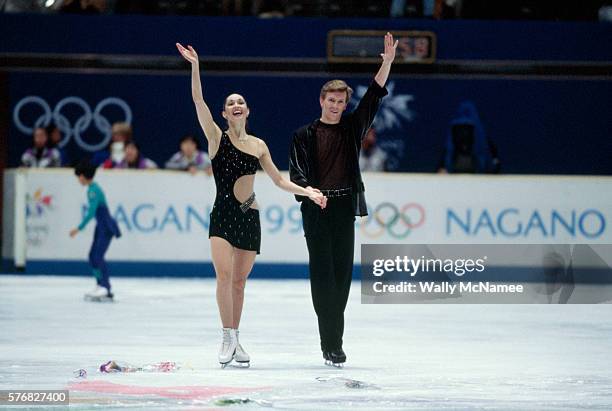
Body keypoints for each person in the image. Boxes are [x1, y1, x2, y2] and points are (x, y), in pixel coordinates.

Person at [176, 42, 326, 368]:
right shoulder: (217, 138)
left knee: (240, 282)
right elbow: (198, 100)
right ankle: (226, 336)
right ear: (225, 113)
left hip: (249, 216)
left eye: (241, 101)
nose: (236, 105)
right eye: (231, 103)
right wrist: (195, 66)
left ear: (248, 110)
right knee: (224, 276)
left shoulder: (259, 145)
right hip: (223, 213)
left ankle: (236, 338)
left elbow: (279, 180)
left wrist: (308, 191)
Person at [289, 32, 397, 367]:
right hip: (316, 210)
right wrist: (311, 192)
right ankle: (331, 344)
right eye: (331, 101)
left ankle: (334, 341)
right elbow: (297, 174)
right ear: (321, 100)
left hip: (343, 209)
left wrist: (387, 62)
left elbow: (373, 99)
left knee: (342, 278)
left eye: (341, 102)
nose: (336, 106)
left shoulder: (352, 128)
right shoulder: (303, 135)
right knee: (323, 276)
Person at [69, 160, 121, 301]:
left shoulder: (93, 190)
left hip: (106, 227)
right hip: (101, 226)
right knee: (92, 256)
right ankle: (100, 285)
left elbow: (91, 212)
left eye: (78, 176)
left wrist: (78, 228)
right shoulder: (92, 188)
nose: (78, 180)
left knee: (98, 256)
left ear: (82, 176)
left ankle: (105, 287)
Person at [437, 100, 500, 174]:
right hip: (476, 168)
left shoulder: (456, 127)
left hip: (458, 167)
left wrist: (442, 166)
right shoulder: (478, 128)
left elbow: (447, 149)